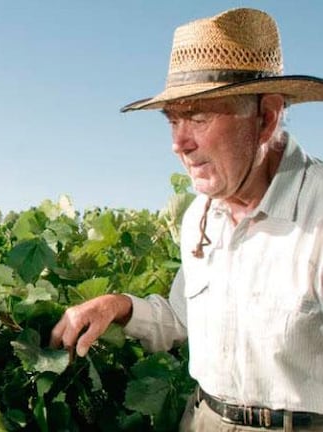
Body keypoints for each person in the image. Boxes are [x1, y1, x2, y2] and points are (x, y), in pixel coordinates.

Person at [49, 8, 323, 431]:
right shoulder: (201, 215)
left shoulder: (317, 211)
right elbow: (182, 319)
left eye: (198, 117)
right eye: (173, 120)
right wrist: (117, 306)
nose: (180, 143)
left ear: (266, 118)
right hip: (200, 419)